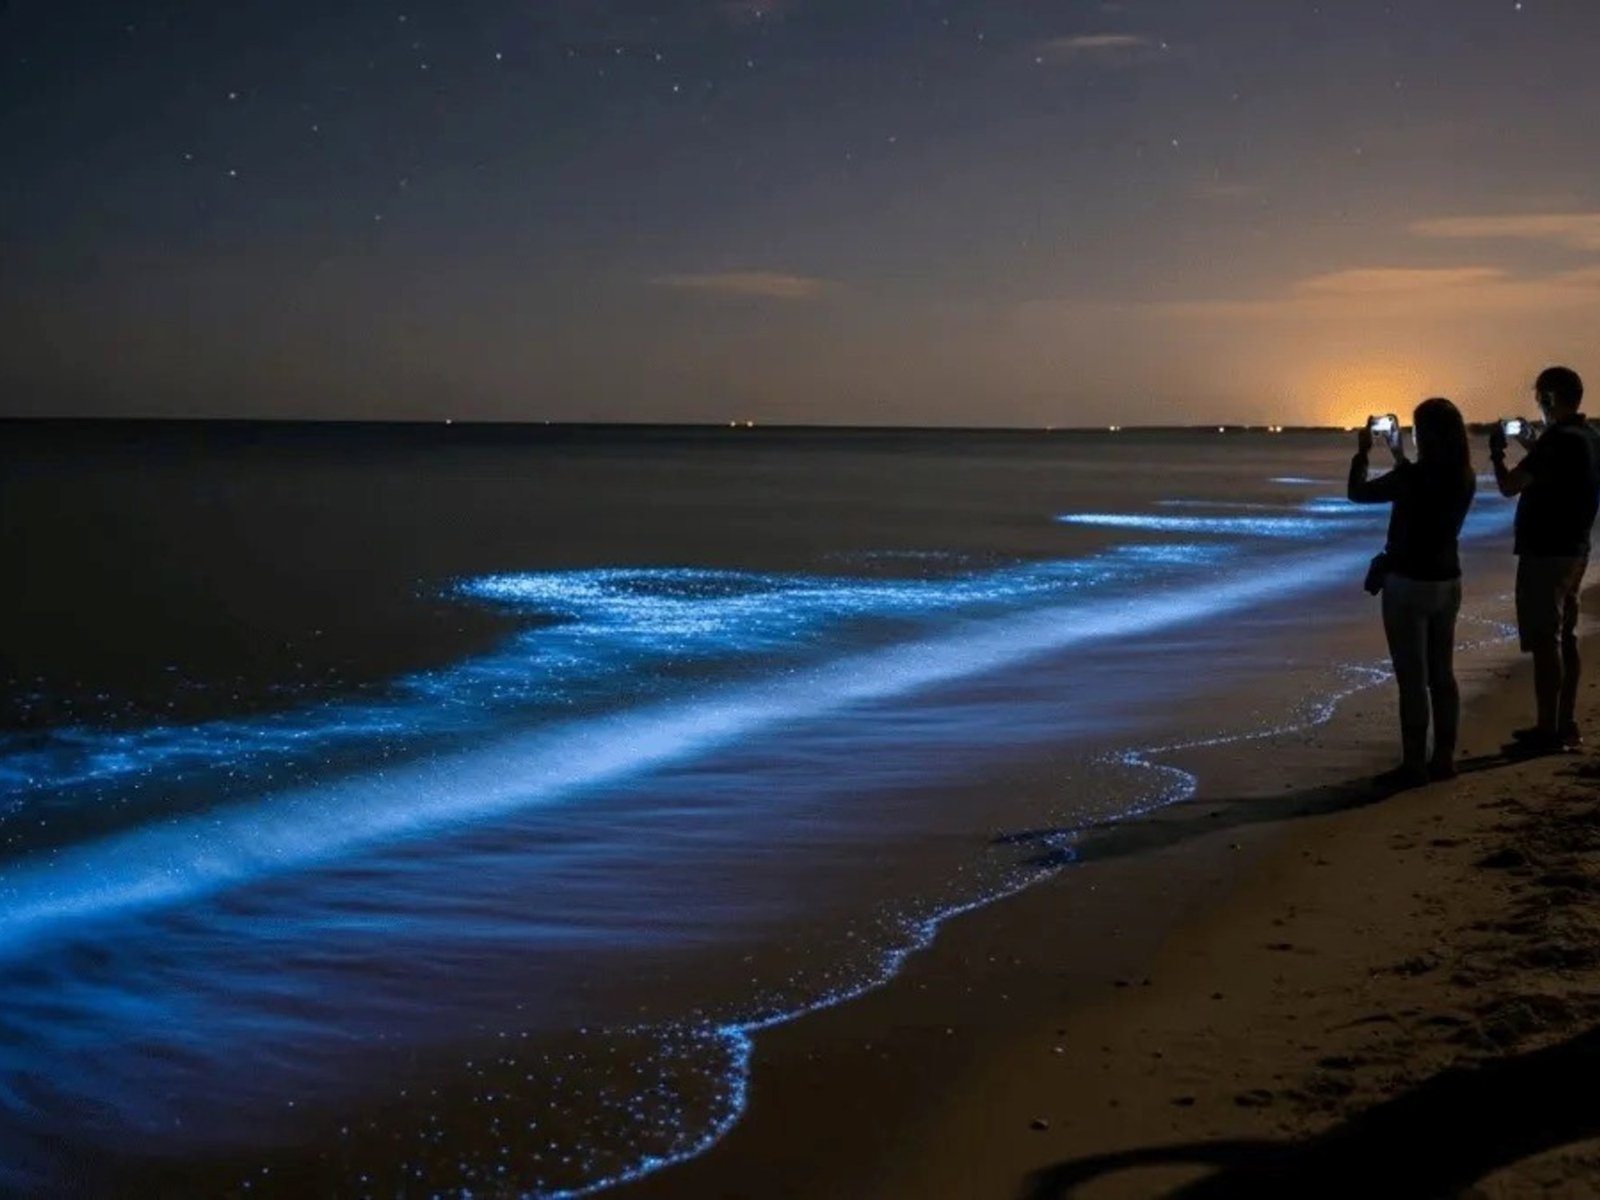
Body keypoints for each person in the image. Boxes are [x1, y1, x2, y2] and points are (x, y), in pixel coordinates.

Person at [1349, 398, 1477, 785]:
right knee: (1442, 673)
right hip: (1446, 579)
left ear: (1425, 434)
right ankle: (1445, 758)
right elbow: (1421, 487)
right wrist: (1398, 454)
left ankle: (1413, 763)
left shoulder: (1414, 478)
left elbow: (1358, 492)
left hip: (1407, 582)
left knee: (1412, 677)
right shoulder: (1463, 474)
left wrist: (1362, 454)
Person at [1490, 365, 1600, 754]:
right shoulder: (1589, 436)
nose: (1537, 406)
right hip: (1577, 549)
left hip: (1546, 553)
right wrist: (1533, 444)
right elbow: (1560, 472)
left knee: (1545, 640)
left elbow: (1509, 487)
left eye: (1539, 398)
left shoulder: (1557, 442)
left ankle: (1546, 729)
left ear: (1549, 399)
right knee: (1564, 637)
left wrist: (1496, 455)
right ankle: (1564, 722)